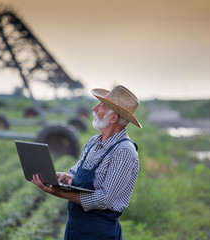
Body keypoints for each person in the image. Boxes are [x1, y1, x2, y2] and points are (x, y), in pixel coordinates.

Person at [31, 85, 142, 239]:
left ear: (113, 118)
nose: (94, 109)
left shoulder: (124, 151)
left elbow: (105, 199)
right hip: (75, 228)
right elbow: (75, 173)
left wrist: (61, 193)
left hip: (99, 232)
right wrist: (66, 177)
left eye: (101, 106)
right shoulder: (93, 142)